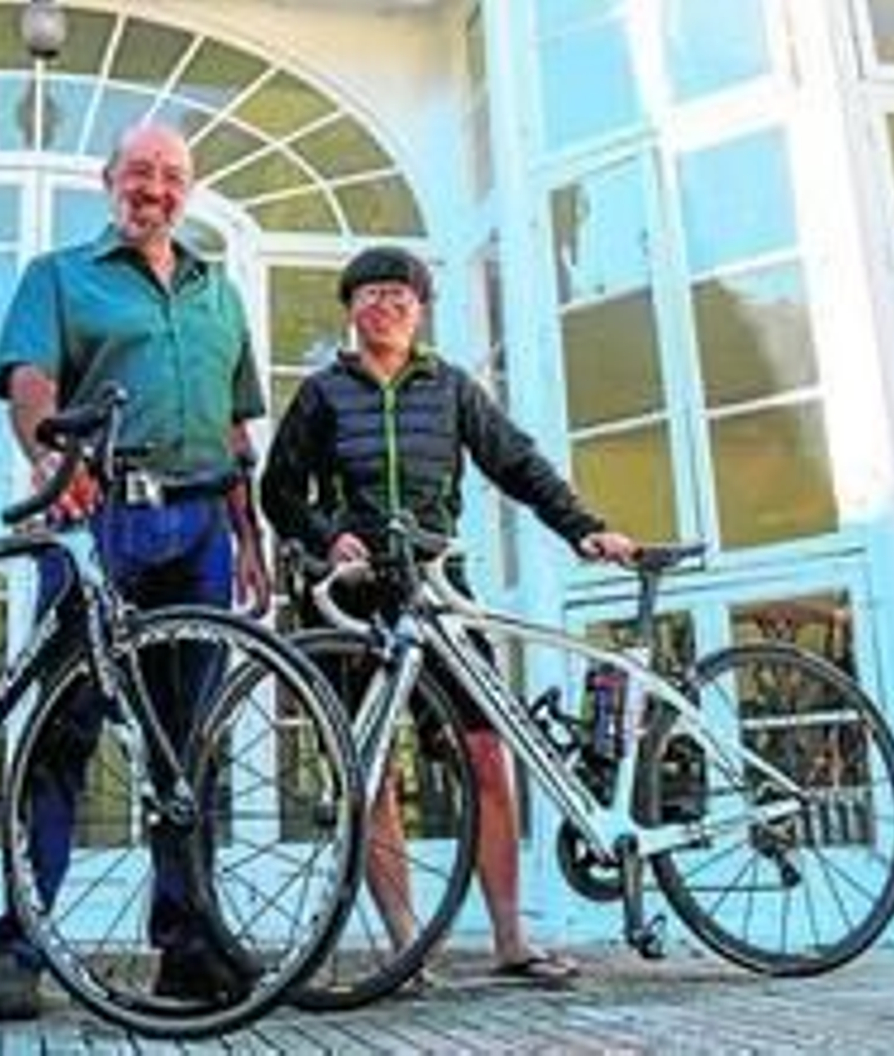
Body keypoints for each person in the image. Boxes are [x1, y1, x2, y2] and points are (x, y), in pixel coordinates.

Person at [260, 245, 637, 985]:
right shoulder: (322, 395)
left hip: (438, 594)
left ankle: (510, 939)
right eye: (370, 295)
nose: (386, 306)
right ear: (351, 309)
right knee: (368, 773)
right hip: (353, 600)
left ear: (420, 309)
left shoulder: (451, 389)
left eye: (400, 295)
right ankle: (407, 944)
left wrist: (582, 526)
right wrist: (324, 534)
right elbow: (279, 493)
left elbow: (518, 464)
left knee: (486, 757)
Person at [0, 121, 271, 1021]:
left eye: (173, 175)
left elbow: (233, 425)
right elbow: (31, 385)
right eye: (140, 171)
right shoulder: (59, 277)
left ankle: (188, 945)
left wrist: (248, 535)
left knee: (192, 744)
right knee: (64, 733)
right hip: (98, 520)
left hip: (200, 530)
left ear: (191, 189)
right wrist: (55, 465)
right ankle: (21, 946)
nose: (156, 188)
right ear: (109, 182)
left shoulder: (220, 292)